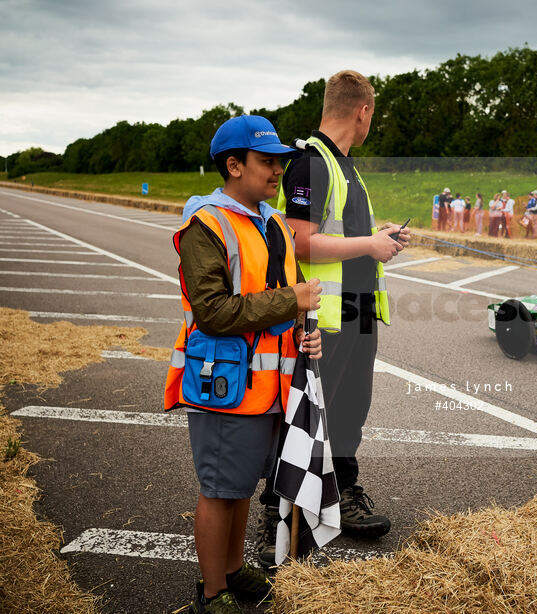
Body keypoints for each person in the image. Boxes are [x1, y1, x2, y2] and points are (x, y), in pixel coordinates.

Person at [164, 115, 324, 613]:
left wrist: (305, 333)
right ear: (233, 165)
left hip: (266, 390)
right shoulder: (205, 225)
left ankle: (233, 571)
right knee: (218, 490)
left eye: (281, 161)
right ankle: (212, 594)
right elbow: (212, 313)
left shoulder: (274, 222)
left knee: (238, 490)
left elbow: (289, 300)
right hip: (222, 384)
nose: (277, 170)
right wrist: (289, 302)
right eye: (266, 161)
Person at [263, 71, 411, 563]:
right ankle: (277, 509)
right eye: (373, 115)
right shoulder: (310, 162)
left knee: (350, 412)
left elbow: (342, 232)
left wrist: (378, 233)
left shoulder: (346, 166)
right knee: (305, 414)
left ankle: (343, 494)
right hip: (324, 313)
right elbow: (299, 238)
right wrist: (370, 244)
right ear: (362, 111)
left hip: (359, 310)